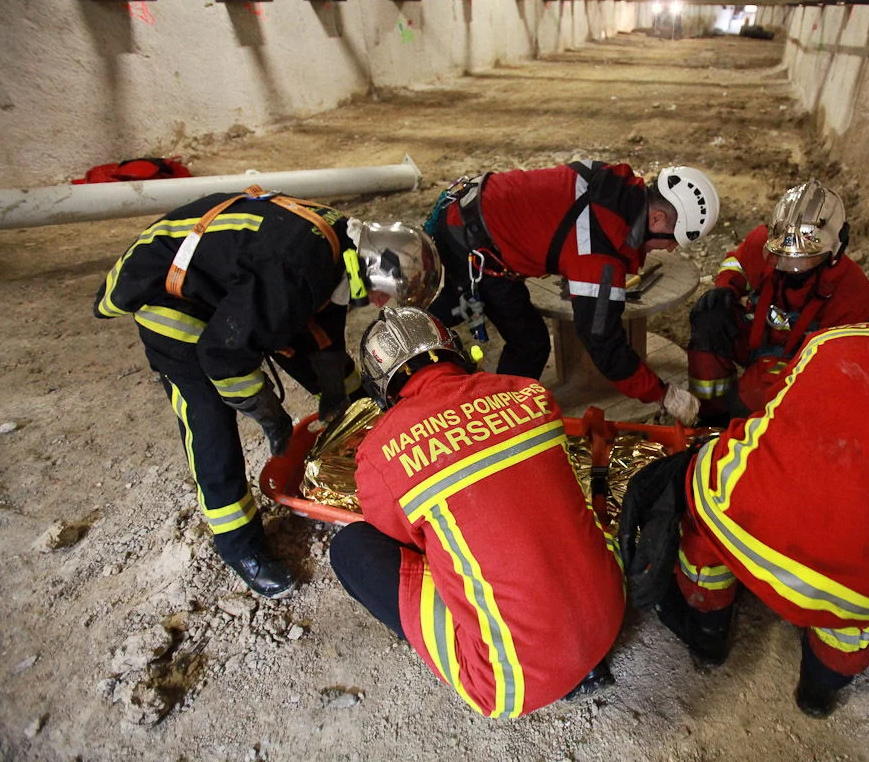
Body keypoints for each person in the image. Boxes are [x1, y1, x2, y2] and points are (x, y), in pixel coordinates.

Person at [620, 319, 869, 718]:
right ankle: (819, 691)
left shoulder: (834, 339)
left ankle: (707, 633)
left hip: (744, 526)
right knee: (855, 606)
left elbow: (768, 416)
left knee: (705, 513)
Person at [93, 186, 440, 598]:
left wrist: (347, 397)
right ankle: (240, 546)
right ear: (373, 274)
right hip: (172, 298)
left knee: (320, 362)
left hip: (229, 287)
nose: (374, 305)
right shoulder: (295, 268)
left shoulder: (339, 242)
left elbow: (315, 327)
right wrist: (267, 411)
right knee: (210, 423)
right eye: (380, 299)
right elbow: (223, 354)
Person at [330, 307, 625, 717]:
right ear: (454, 349)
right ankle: (580, 657)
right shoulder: (528, 393)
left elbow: (397, 540)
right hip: (610, 613)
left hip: (514, 684)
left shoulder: (381, 451)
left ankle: (498, 647)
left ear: (380, 388)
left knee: (350, 548)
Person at [424, 161, 720, 426]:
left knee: (440, 315)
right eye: (673, 241)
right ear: (655, 219)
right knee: (529, 343)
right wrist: (663, 394)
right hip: (470, 241)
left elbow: (559, 221)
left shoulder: (613, 186)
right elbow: (603, 342)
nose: (669, 249)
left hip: (466, 206)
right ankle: (495, 423)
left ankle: (404, 342)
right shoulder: (600, 250)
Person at [687, 179, 869, 424]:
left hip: (803, 363)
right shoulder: (763, 244)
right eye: (781, 257)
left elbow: (843, 366)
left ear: (836, 249)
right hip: (758, 337)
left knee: (753, 397)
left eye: (803, 260)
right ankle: (708, 415)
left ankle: (744, 425)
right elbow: (738, 263)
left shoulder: (854, 294)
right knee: (709, 318)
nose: (790, 268)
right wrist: (726, 287)